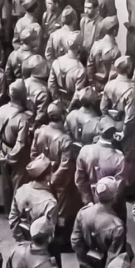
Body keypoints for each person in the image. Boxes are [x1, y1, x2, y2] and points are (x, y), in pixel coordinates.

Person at [30, 102, 80, 251]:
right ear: (62, 116)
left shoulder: (39, 131)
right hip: (60, 181)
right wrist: (53, 179)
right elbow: (65, 165)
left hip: (43, 176)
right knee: (63, 211)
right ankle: (61, 239)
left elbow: (33, 154)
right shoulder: (64, 139)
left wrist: (42, 174)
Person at [71, 177, 127, 268]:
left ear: (96, 194)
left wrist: (86, 265)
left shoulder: (83, 213)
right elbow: (114, 256)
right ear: (114, 197)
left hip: (90, 264)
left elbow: (76, 240)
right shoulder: (117, 226)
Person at [0, 79, 33, 215]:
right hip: (18, 155)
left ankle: (7, 209)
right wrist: (10, 157)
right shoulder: (22, 119)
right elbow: (21, 143)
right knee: (19, 184)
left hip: (3, 149)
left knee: (6, 183)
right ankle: (16, 214)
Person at [75, 117, 126, 222]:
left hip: (90, 204)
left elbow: (80, 180)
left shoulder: (85, 151)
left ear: (98, 132)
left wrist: (88, 201)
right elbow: (118, 188)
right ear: (113, 135)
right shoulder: (119, 157)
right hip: (112, 209)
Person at [9, 155, 58, 242]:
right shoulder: (50, 202)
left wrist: (21, 240)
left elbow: (13, 219)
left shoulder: (21, 189)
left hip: (23, 240)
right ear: (47, 177)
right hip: (42, 245)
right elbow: (50, 231)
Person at [100, 56, 135, 142]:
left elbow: (103, 108)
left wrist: (108, 123)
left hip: (109, 124)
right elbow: (130, 116)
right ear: (129, 69)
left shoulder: (109, 84)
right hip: (123, 127)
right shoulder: (131, 89)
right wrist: (124, 132)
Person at [48, 31, 87, 110]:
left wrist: (57, 101)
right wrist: (69, 109)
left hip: (58, 102)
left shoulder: (56, 62)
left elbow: (51, 85)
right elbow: (77, 94)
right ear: (79, 47)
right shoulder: (80, 69)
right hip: (73, 107)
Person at [86, 15, 121, 92]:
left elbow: (89, 67)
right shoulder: (115, 51)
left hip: (95, 84)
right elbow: (113, 75)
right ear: (115, 31)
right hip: (107, 87)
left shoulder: (95, 45)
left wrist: (92, 84)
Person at [65, 86, 103, 151]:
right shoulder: (97, 122)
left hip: (72, 149)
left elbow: (66, 132)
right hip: (89, 151)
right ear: (94, 102)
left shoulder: (71, 114)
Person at [23, 54, 51, 127]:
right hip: (33, 126)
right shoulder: (43, 91)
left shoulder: (23, 83)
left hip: (22, 121)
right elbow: (41, 117)